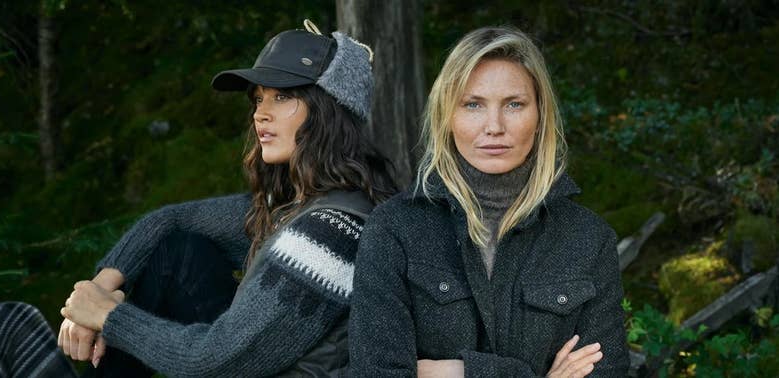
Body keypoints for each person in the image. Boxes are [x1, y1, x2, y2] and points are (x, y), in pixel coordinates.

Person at [59, 20, 396, 377]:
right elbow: (169, 221)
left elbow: (211, 362)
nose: (260, 113)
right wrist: (98, 290)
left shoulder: (331, 234)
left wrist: (107, 315)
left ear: (329, 110)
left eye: (282, 96)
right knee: (178, 253)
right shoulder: (300, 205)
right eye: (259, 98)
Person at [348, 27, 629, 377]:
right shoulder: (395, 229)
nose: (494, 126)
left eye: (514, 104)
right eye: (473, 104)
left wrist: (456, 372)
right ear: (447, 116)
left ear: (540, 115)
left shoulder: (588, 238)